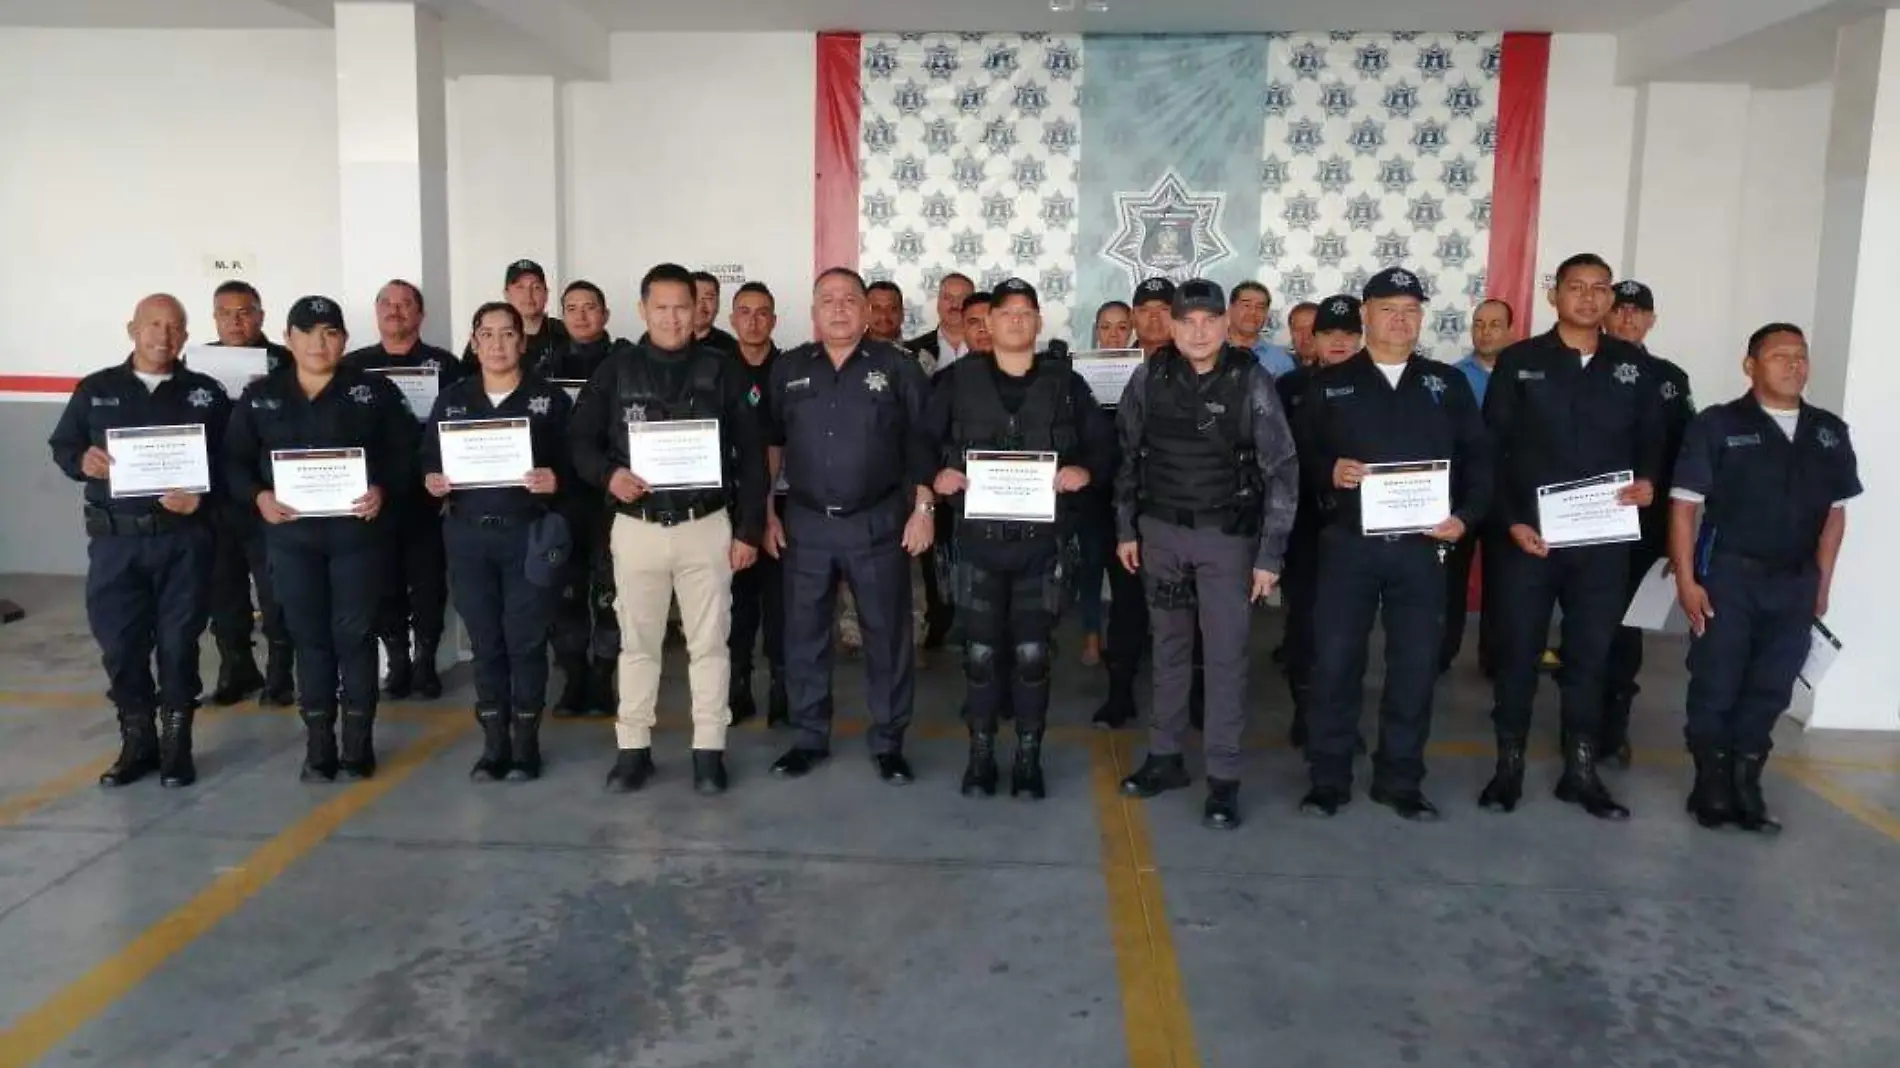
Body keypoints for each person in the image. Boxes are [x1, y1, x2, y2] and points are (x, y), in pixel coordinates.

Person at [1292, 269, 1491, 821]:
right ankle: (1328, 777)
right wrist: (1327, 470)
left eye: (1411, 309)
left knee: (1414, 666)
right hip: (1347, 546)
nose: (1400, 319)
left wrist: (1465, 517)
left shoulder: (1444, 384)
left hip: (1423, 551)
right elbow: (1292, 461)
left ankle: (1400, 778)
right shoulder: (1330, 383)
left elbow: (1479, 458)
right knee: (1335, 663)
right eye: (1388, 308)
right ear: (1365, 313)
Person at [569, 263, 767, 796]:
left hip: (706, 525)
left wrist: (749, 530)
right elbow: (579, 443)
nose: (674, 317)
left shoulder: (723, 370)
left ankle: (709, 751)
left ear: (699, 309)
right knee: (637, 643)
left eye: (684, 306)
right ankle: (633, 750)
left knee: (710, 644)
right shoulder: (615, 370)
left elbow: (752, 458)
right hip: (637, 528)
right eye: (662, 307)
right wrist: (610, 475)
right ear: (642, 309)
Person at [1480, 253, 1664, 820]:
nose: (1588, 298)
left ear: (1611, 300)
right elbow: (1491, 452)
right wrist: (1511, 520)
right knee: (1517, 653)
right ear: (1554, 295)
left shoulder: (1634, 367)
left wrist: (1650, 484)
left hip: (1603, 543)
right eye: (1576, 287)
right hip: (1528, 541)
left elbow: (1653, 445)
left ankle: (1580, 772)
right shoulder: (1519, 362)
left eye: (1599, 289)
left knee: (1590, 656)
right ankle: (1507, 766)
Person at [1113, 279, 1299, 829]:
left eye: (1209, 320)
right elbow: (1126, 456)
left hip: (1226, 538)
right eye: (1186, 320)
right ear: (1170, 325)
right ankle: (1165, 757)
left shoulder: (1252, 380)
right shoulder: (1150, 375)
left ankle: (1223, 778)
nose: (1198, 331)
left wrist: (1270, 556)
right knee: (1168, 650)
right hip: (1161, 534)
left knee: (1223, 658)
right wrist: (1126, 528)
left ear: (1226, 324)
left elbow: (1282, 470)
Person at [926, 278, 1112, 798]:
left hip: (1041, 548)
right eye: (1003, 312)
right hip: (978, 545)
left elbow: (1104, 446)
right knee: (980, 656)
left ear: (1037, 321)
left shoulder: (1066, 385)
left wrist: (1085, 472)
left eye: (1024, 312)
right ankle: (980, 756)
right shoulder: (956, 381)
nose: (1013, 321)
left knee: (1033, 655)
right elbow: (918, 440)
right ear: (987, 322)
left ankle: (1028, 759)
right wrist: (937, 477)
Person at [1669, 323, 1858, 834]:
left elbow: (1835, 515)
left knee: (1772, 685)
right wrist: (1687, 581)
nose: (1793, 365)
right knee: (1717, 679)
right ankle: (1710, 781)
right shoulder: (1718, 425)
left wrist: (1822, 584)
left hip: (1795, 580)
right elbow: (1685, 508)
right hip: (1730, 574)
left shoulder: (1828, 431)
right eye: (1779, 356)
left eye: (1800, 356)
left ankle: (1747, 779)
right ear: (1750, 365)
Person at [227, 296, 417, 782]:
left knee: (354, 638)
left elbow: (407, 455)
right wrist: (258, 496)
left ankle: (357, 745)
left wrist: (384, 489)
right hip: (292, 540)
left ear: (344, 340)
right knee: (310, 640)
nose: (319, 342)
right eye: (307, 332)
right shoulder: (261, 396)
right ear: (288, 339)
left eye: (330, 332)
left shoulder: (374, 393)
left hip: (357, 538)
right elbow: (233, 462)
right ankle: (317, 746)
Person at [48, 294, 232, 788]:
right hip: (116, 545)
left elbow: (232, 462)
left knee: (178, 644)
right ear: (133, 328)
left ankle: (176, 745)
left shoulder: (206, 393)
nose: (163, 335)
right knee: (121, 645)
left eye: (174, 327)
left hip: (184, 542)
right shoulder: (97, 390)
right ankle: (137, 742)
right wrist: (80, 461)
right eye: (153, 324)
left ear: (186, 336)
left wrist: (201, 499)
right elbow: (64, 445)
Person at [766, 267, 937, 784]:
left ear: (866, 311)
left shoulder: (899, 368)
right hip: (806, 523)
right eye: (827, 300)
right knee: (805, 635)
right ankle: (809, 737)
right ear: (813, 310)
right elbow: (772, 444)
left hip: (879, 521)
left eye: (849, 300)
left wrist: (923, 509)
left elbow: (922, 443)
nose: (839, 309)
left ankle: (889, 742)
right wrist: (765, 512)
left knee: (887, 635)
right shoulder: (790, 369)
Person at [421, 302, 572, 782]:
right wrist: (432, 480)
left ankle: (526, 744)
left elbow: (580, 462)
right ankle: (494, 745)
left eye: (508, 335)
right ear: (474, 341)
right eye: (487, 335)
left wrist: (558, 480)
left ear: (521, 342)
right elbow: (426, 458)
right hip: (468, 536)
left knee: (526, 643)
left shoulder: (548, 400)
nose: (498, 344)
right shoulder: (454, 400)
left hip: (528, 535)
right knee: (486, 643)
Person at [343, 279, 464, 700]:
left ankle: (426, 661)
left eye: (406, 304)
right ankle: (396, 659)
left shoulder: (445, 365)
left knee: (429, 582)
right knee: (382, 581)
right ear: (377, 312)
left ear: (420, 314)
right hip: (373, 495)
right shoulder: (352, 367)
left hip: (427, 495)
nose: (396, 311)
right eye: (388, 304)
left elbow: (461, 427)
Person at [1599, 280, 1695, 766]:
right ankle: (1579, 723)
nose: (1628, 319)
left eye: (1639, 311)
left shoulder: (1668, 378)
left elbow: (1686, 456)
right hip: (1584, 523)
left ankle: (1612, 731)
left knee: (1624, 630)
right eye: (1620, 309)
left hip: (1641, 526)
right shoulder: (1580, 367)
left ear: (1652, 320)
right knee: (1584, 626)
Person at [200, 280, 295, 708]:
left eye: (245, 312)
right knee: (223, 590)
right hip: (212, 497)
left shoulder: (286, 362)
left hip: (268, 495)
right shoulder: (195, 366)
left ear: (261, 316)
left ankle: (280, 673)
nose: (236, 321)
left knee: (274, 590)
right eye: (226, 312)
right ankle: (236, 667)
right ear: (214, 318)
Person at [1277, 294, 1362, 748]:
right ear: (1314, 338)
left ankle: (1342, 719)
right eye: (1330, 333)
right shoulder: (1289, 386)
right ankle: (1306, 711)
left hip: (1360, 527)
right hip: (1302, 525)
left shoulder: (1378, 389)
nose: (1340, 342)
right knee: (1305, 624)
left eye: (1349, 334)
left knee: (1351, 628)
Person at [1092, 278, 1176, 729]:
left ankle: (1191, 697)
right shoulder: (1106, 366)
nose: (1155, 318)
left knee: (1186, 608)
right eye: (1145, 309)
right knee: (1126, 604)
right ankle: (1120, 692)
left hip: (1177, 505)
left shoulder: (1196, 364)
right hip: (1120, 504)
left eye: (1165, 308)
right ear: (1134, 317)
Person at [544, 280, 626, 717]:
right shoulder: (545, 368)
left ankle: (602, 678)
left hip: (613, 497)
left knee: (610, 595)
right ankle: (574, 677)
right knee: (567, 595)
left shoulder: (625, 364)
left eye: (590, 307)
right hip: (562, 500)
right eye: (571, 308)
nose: (581, 316)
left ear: (606, 314)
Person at [1439, 297, 1515, 677]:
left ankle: (1495, 659)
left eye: (1494, 324)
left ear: (1511, 330)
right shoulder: (1452, 377)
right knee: (1450, 581)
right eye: (1479, 324)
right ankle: (1442, 652)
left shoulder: (1524, 374)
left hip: (1508, 496)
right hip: (1461, 493)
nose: (1485, 332)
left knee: (1504, 583)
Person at [727, 281, 789, 727]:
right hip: (726, 507)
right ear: (732, 320)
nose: (753, 320)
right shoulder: (714, 369)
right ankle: (739, 688)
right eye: (744, 312)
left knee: (783, 603)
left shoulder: (791, 371)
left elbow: (783, 443)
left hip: (784, 506)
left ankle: (783, 691)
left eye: (762, 312)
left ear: (774, 320)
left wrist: (767, 510)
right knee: (736, 603)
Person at [1075, 300, 1136, 667]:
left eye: (1121, 327)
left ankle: (1122, 639)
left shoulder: (1143, 372)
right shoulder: (1078, 374)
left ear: (1130, 331)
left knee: (1125, 568)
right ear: (1095, 330)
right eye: (1106, 327)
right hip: (1091, 485)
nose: (1113, 334)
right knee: (1091, 564)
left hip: (1129, 486)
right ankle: (1091, 639)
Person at [459, 259, 570, 372]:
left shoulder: (565, 334)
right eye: (520, 287)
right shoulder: (486, 337)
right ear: (506, 294)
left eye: (536, 287)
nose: (528, 295)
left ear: (546, 294)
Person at [907, 271, 976, 371]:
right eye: (948, 297)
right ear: (938, 303)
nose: (955, 304)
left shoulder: (991, 348)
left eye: (962, 298)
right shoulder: (913, 350)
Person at [1228, 281, 1297, 377]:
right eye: (1247, 305)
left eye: (1260, 307)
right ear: (1230, 309)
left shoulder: (1281, 360)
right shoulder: (1210, 349)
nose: (1252, 312)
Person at [690, 271, 742, 357]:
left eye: (708, 298)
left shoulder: (731, 349)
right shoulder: (666, 343)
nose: (700, 305)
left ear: (718, 304)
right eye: (694, 297)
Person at [867, 280, 907, 344]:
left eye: (892, 309)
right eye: (876, 309)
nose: (884, 316)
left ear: (902, 314)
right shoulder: (849, 352)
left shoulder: (919, 352)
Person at [1286, 301, 1320, 366]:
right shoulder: (1281, 366)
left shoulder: (1340, 370)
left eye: (1312, 328)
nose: (1306, 336)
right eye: (1299, 329)